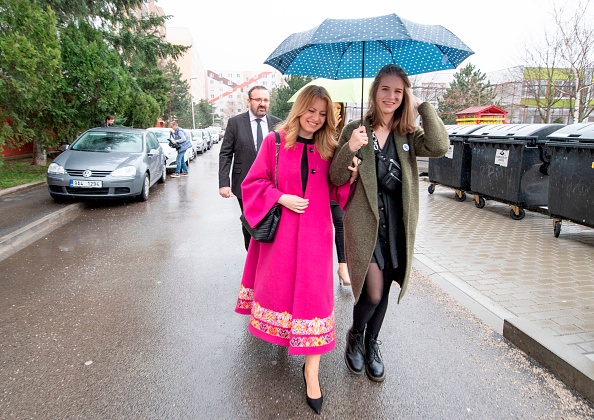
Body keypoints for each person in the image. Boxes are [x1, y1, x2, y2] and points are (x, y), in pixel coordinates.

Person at [235, 85, 356, 415]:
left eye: (322, 113)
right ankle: (283, 340)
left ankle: (311, 372)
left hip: (317, 234)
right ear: (299, 109)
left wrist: (351, 172)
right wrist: (280, 196)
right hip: (283, 237)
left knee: (315, 300)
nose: (315, 119)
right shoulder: (275, 142)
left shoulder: (330, 147)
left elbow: (338, 191)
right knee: (282, 293)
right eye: (311, 111)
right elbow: (253, 183)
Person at [329, 64, 449, 382]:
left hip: (396, 226)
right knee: (372, 291)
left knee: (383, 293)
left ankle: (371, 344)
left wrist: (422, 105)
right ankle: (355, 336)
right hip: (365, 224)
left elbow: (439, 147)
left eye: (399, 91)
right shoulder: (356, 129)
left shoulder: (408, 133)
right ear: (375, 91)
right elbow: (336, 176)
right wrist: (351, 148)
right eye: (386, 89)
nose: (391, 96)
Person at [218, 86, 282, 250]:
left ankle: (267, 257)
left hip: (272, 184)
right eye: (258, 100)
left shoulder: (278, 124)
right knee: (250, 222)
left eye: (265, 100)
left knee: (272, 221)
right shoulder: (236, 123)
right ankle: (252, 257)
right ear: (249, 101)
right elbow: (225, 153)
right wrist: (224, 183)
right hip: (244, 183)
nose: (262, 104)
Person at [331, 102, 350, 286]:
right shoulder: (316, 128)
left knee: (341, 224)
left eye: (338, 108)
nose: (335, 112)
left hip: (335, 187)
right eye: (331, 107)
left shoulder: (346, 132)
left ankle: (343, 266)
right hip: (317, 189)